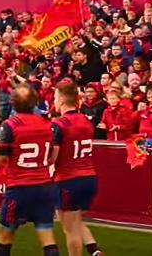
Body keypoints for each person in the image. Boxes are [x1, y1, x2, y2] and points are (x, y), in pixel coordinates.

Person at [0, 84, 59, 256]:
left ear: (13, 103)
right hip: (44, 187)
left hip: (19, 188)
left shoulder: (10, 125)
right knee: (47, 237)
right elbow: (51, 158)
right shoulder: (47, 124)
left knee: (4, 236)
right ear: (34, 102)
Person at [50, 81, 103, 256]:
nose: (54, 101)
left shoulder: (59, 124)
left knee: (70, 229)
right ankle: (94, 250)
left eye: (55, 97)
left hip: (68, 179)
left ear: (62, 100)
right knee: (75, 220)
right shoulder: (85, 121)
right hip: (89, 177)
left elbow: (52, 158)